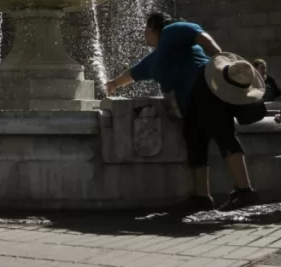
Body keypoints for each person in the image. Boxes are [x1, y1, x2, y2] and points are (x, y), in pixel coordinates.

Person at [105, 12, 262, 212]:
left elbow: (198, 34)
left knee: (224, 135)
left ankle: (244, 190)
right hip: (189, 104)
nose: (143, 33)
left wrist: (219, 57)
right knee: (196, 143)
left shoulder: (171, 31)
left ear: (154, 27)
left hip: (205, 88)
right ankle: (202, 198)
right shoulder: (155, 58)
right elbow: (132, 74)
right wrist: (113, 84)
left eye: (145, 28)